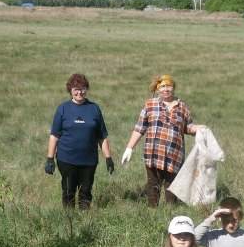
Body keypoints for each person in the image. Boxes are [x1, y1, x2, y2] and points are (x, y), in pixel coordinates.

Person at [121, 74, 202, 207]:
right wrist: (129, 148)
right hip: (153, 155)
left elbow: (187, 127)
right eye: (162, 86)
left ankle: (171, 215)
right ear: (158, 89)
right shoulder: (150, 104)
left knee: (172, 189)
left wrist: (198, 128)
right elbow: (139, 128)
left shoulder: (182, 107)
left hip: (174, 156)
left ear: (173, 87)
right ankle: (152, 214)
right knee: (153, 186)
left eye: (168, 86)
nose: (166, 89)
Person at [45, 73, 114, 210]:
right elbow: (54, 135)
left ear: (86, 89)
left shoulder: (94, 108)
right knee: (68, 191)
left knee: (86, 192)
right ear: (70, 90)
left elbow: (102, 136)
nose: (79, 92)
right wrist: (50, 158)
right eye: (76, 89)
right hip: (67, 159)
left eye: (82, 88)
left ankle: (84, 220)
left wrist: (108, 158)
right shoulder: (63, 109)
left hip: (89, 161)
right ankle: (69, 219)